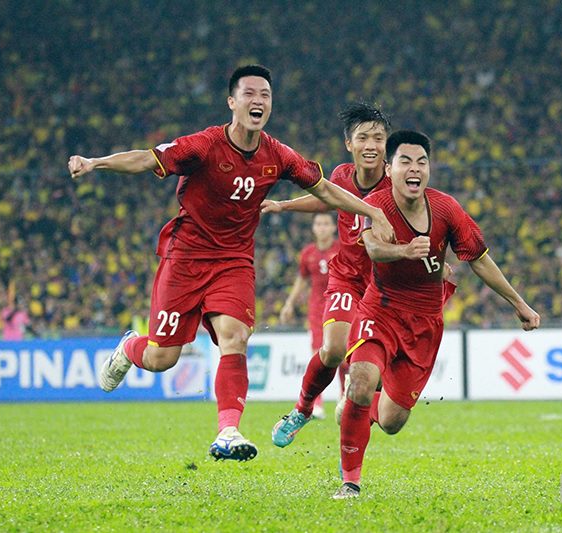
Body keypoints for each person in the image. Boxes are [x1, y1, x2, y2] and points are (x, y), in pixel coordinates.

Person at [66, 65, 394, 462]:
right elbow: (146, 159)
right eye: (249, 94)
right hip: (186, 257)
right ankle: (129, 348)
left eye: (265, 95)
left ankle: (228, 431)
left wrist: (371, 211)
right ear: (232, 102)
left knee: (235, 338)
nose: (258, 101)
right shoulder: (204, 145)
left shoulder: (278, 154)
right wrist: (95, 162)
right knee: (162, 357)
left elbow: (325, 189)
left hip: (234, 260)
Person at [333, 130, 541, 499]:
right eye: (405, 161)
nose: (414, 169)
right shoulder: (374, 205)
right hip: (379, 309)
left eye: (422, 162)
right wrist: (404, 252)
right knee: (362, 383)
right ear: (389, 168)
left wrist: (518, 303)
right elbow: (374, 249)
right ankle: (350, 481)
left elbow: (479, 260)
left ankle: (358, 410)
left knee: (392, 422)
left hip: (425, 324)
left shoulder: (447, 209)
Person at [264, 102, 393, 447]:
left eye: (378, 138)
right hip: (347, 278)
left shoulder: (397, 181)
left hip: (385, 287)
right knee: (333, 349)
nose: (371, 145)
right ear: (349, 144)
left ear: (387, 144)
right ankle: (303, 409)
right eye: (363, 138)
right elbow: (326, 199)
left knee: (375, 377)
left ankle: (353, 434)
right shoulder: (341, 176)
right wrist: (284, 205)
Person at [279, 212, 340, 419]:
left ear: (333, 227)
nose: (322, 228)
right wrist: (289, 303)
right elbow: (302, 279)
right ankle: (317, 404)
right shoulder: (308, 253)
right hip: (316, 309)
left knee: (343, 355)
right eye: (318, 224)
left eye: (326, 224)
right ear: (313, 228)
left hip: (339, 304)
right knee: (318, 354)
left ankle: (344, 398)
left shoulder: (342, 249)